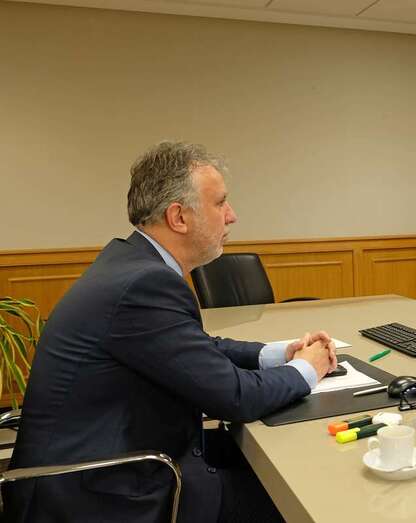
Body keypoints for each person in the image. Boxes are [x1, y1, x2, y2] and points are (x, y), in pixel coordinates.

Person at [4, 142, 339, 523]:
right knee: (295, 501)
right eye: (220, 203)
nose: (232, 216)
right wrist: (309, 368)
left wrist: (278, 353)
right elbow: (235, 397)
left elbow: (195, 348)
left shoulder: (130, 263)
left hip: (106, 461)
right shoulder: (145, 283)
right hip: (101, 495)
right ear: (179, 217)